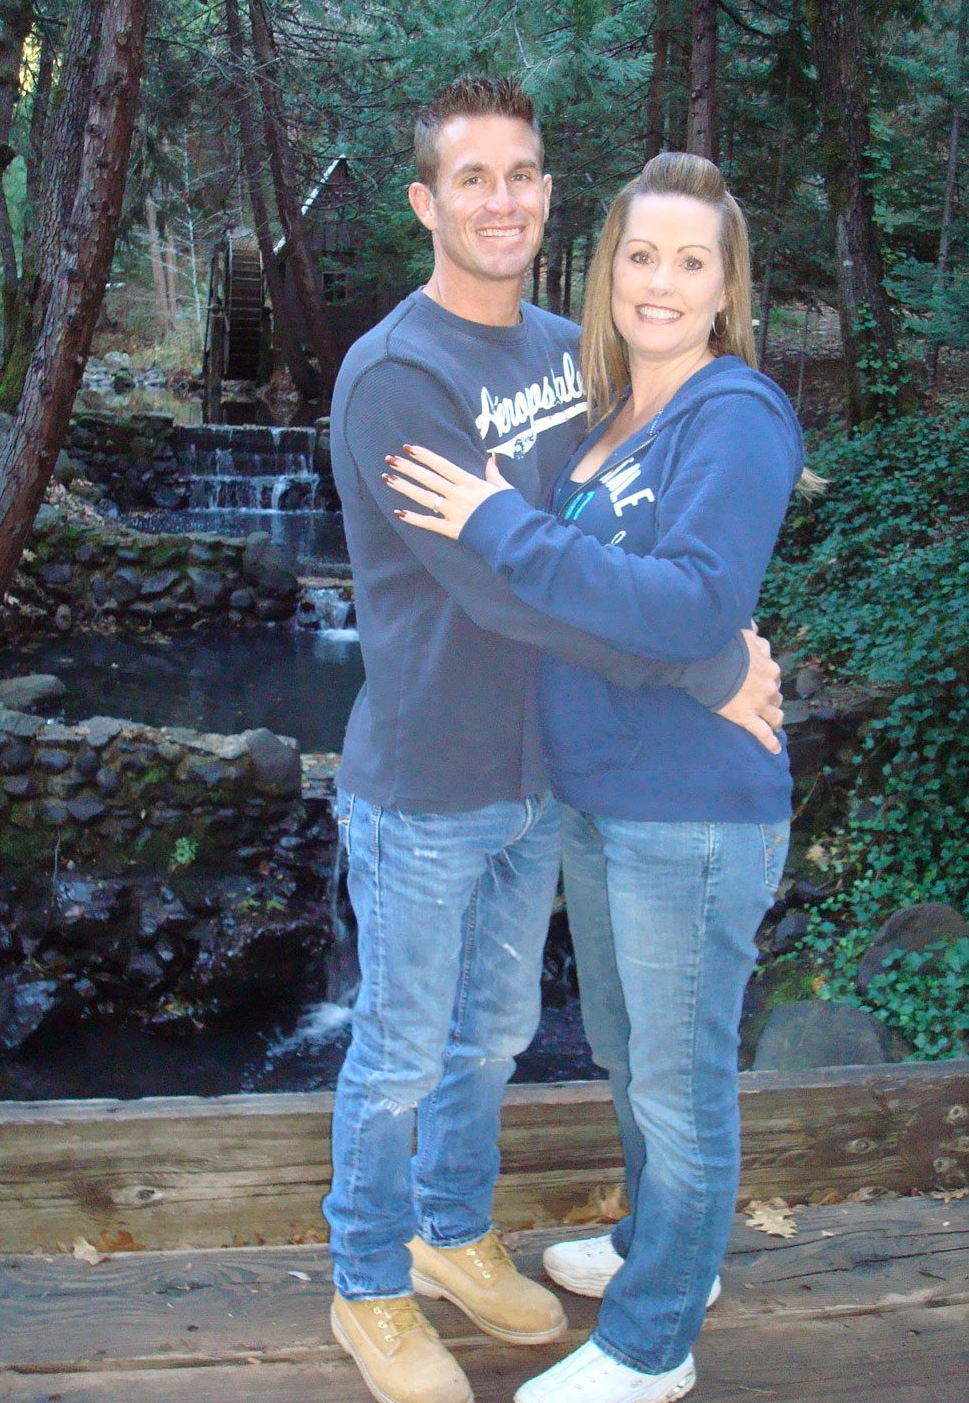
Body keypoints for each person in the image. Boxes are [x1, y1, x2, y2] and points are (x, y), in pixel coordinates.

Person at [326, 80, 785, 1403]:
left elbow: (625, 554)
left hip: (546, 774)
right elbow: (498, 584)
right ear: (426, 201)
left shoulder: (560, 355)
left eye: (523, 173)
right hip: (425, 774)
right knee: (406, 1047)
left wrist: (706, 634)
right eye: (472, 178)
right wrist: (707, 663)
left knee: (489, 1035)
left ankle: (452, 1233)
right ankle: (369, 1285)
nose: (503, 199)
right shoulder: (396, 374)